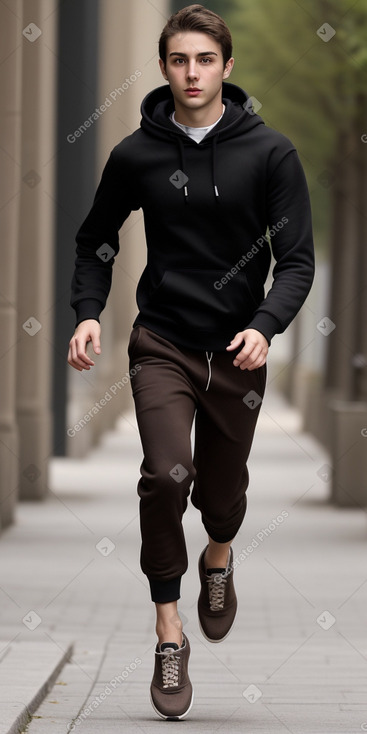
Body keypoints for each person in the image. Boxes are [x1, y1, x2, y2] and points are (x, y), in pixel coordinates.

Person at [68, 3, 314, 721]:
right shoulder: (136, 155)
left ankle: (217, 557)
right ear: (164, 65)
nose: (191, 73)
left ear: (226, 67)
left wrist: (266, 325)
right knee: (165, 474)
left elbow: (294, 261)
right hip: (164, 345)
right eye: (178, 60)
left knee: (221, 498)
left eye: (204, 60)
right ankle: (167, 630)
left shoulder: (270, 154)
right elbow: (94, 240)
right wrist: (88, 311)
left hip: (238, 351)